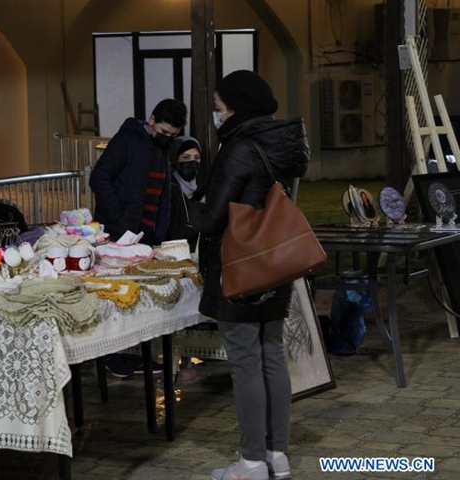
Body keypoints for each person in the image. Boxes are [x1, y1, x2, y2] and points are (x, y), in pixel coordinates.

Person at [187, 70, 309, 480]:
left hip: (238, 267)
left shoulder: (240, 149)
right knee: (271, 355)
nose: (217, 117)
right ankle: (277, 455)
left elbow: (210, 218)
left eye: (220, 109)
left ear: (236, 108)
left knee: (245, 361)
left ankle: (251, 462)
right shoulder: (284, 143)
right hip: (276, 263)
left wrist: (187, 199)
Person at [89, 98, 187, 245]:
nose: (167, 138)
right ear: (152, 120)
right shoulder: (127, 140)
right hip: (118, 231)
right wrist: (119, 216)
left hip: (147, 235)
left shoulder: (163, 149)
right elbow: (98, 178)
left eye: (173, 135)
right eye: (164, 132)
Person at [166, 135, 205, 250]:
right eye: (186, 158)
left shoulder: (199, 189)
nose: (193, 163)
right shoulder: (171, 190)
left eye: (197, 158)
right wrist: (201, 207)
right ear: (174, 159)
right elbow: (176, 235)